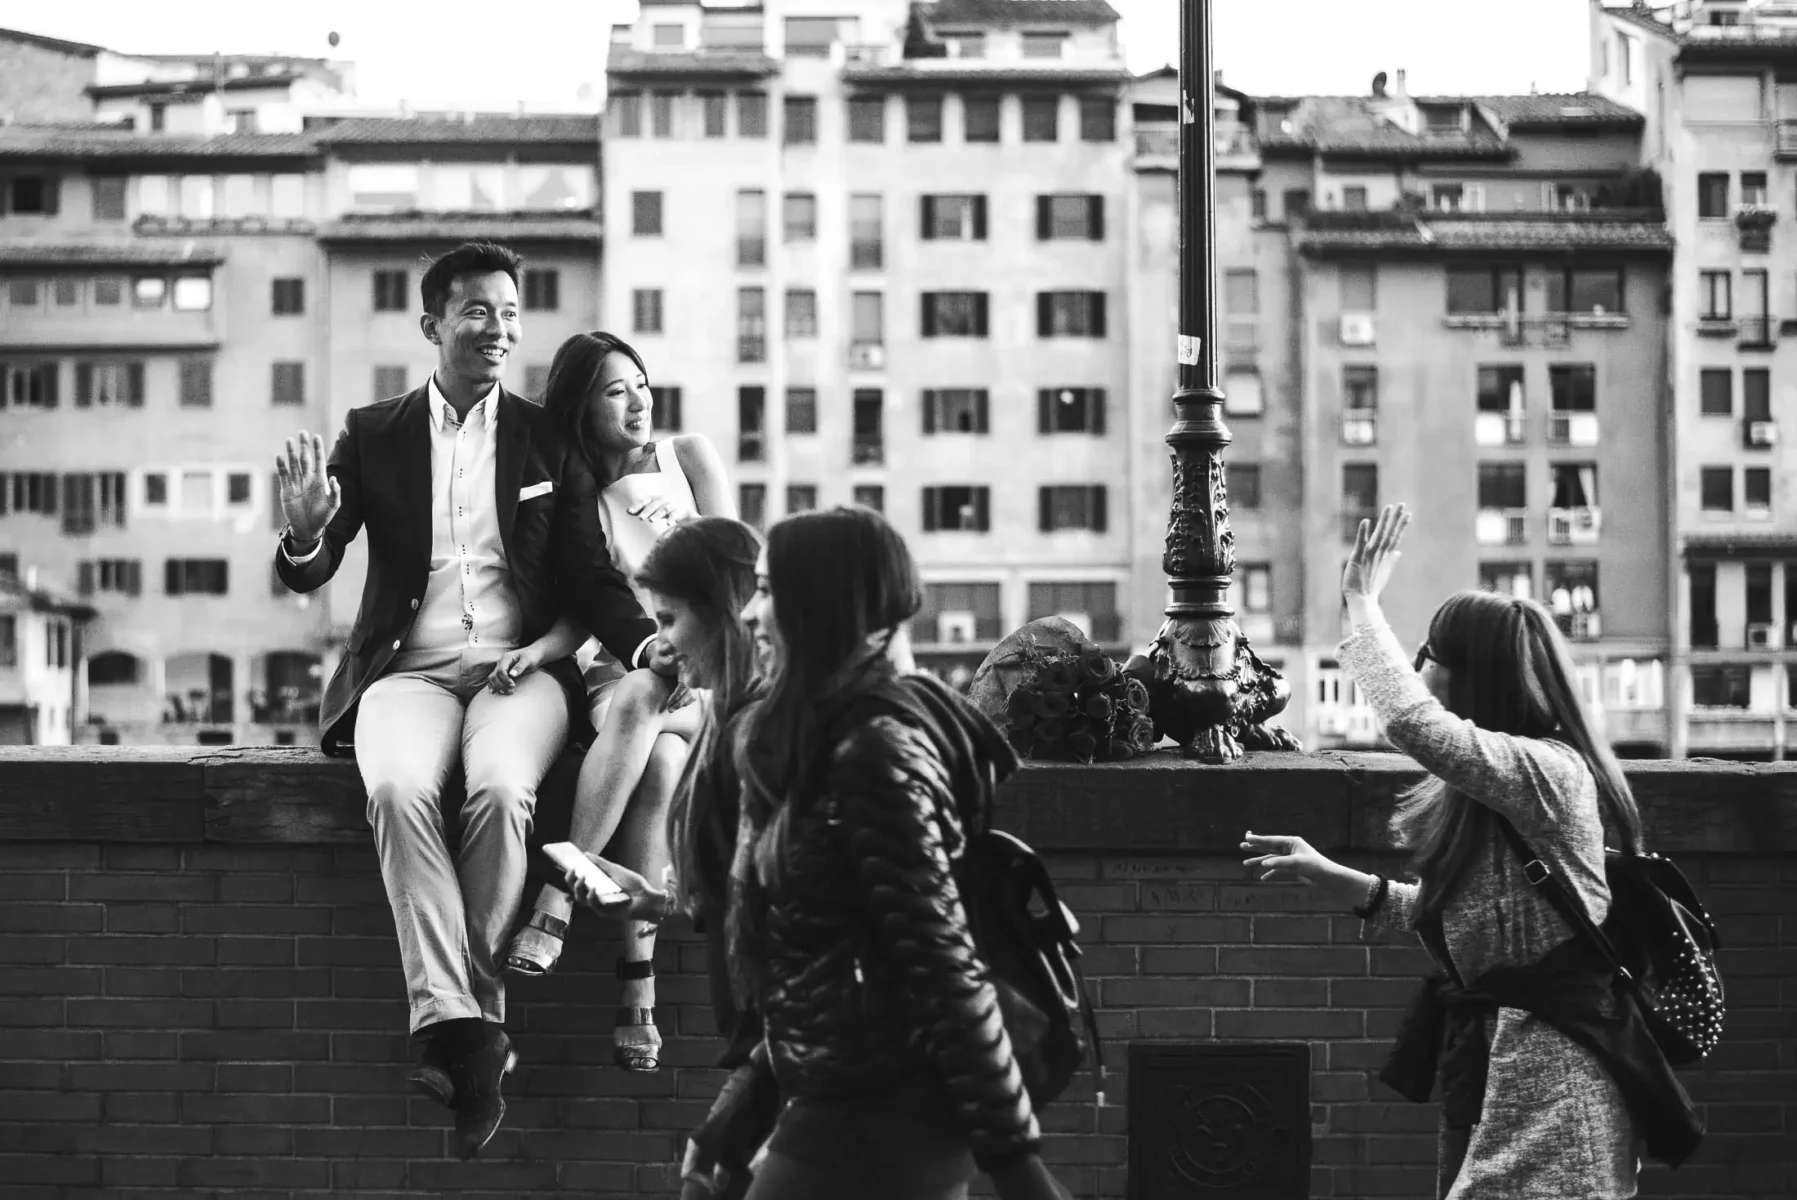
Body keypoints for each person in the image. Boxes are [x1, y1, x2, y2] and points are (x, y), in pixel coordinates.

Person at [272, 242, 662, 1160]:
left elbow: (589, 575)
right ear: (434, 325)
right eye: (478, 311)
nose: (498, 329)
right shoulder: (373, 434)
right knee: (399, 790)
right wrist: (302, 537)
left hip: (516, 674)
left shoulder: (543, 438)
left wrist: (647, 641)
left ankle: (461, 1028)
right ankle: (474, 1028)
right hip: (405, 673)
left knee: (498, 790)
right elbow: (315, 568)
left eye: (510, 314)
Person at [1241, 503, 1643, 1200]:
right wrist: (1334, 878)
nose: (1419, 666)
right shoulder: (1495, 787)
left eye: (1428, 654)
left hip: (1555, 1080)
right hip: (1497, 1067)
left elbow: (1407, 721)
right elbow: (1465, 922)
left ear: (1471, 675)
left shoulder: (1546, 773)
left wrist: (1360, 603)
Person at [725, 506, 1069, 1200]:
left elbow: (943, 965)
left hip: (878, 1121)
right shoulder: (824, 742)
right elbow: (822, 964)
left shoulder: (871, 754)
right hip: (846, 1104)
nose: (748, 616)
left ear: (822, 606)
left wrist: (1015, 1163)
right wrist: (733, 1118)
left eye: (766, 591)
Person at [493, 331, 732, 1074]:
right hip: (621, 679)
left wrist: (698, 644)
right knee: (658, 770)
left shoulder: (687, 456)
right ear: (580, 406)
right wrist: (537, 651)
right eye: (613, 390)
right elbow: (591, 605)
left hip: (700, 672)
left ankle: (560, 895)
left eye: (640, 383)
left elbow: (734, 569)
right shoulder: (576, 494)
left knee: (652, 691)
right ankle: (637, 991)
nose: (637, 401)